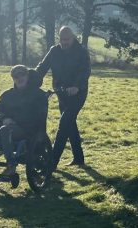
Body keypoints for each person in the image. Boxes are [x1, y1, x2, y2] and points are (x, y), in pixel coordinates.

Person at [35, 26, 91, 170]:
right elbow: (42, 68)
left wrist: (77, 86)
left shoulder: (81, 52)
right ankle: (79, 158)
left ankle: (51, 163)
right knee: (70, 125)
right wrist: (29, 80)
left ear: (73, 38)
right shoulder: (54, 51)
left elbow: (85, 72)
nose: (64, 42)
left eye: (67, 39)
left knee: (64, 124)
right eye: (62, 39)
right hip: (61, 94)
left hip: (77, 94)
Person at [0, 65, 47, 177]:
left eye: (22, 74)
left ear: (27, 76)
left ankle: (11, 166)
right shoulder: (7, 95)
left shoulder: (38, 94)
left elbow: (38, 116)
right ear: (13, 78)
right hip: (7, 126)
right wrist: (3, 118)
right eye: (15, 76)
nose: (19, 78)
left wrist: (14, 121)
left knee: (5, 130)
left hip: (27, 129)